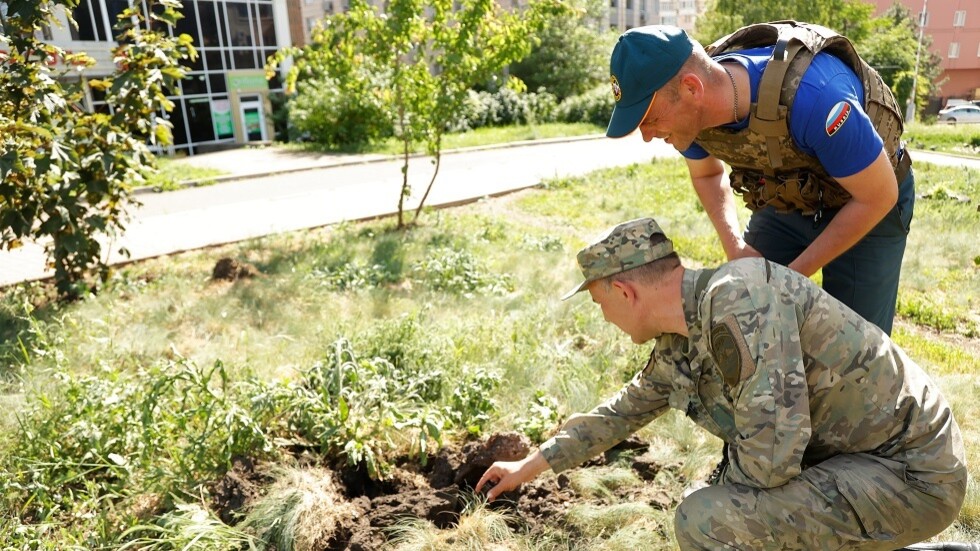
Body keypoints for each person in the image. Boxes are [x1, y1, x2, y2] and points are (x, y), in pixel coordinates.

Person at [476, 218, 966, 550]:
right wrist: (530, 464)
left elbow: (771, 460)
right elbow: (620, 412)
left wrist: (725, 500)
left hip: (913, 472)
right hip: (862, 462)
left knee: (705, 520)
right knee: (717, 504)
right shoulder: (681, 337)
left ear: (624, 291)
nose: (605, 319)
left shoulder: (739, 301)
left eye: (600, 303)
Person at [604, 22, 914, 335]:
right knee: (746, 314)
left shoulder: (814, 97)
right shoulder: (692, 118)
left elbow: (878, 195)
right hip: (789, 198)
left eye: (651, 119)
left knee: (856, 347)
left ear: (692, 88)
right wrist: (735, 247)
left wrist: (792, 277)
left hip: (868, 198)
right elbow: (708, 175)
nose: (646, 136)